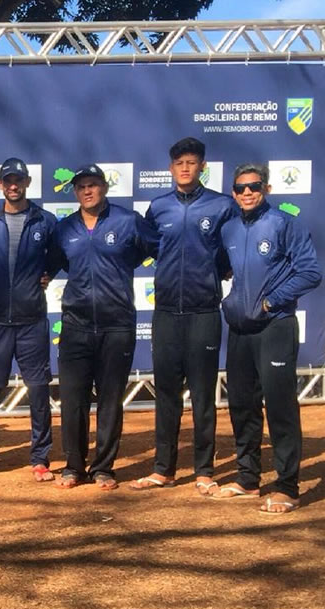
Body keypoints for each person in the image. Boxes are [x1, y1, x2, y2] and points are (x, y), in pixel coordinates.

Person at [210, 163, 321, 514]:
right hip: (241, 330)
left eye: (254, 186)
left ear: (266, 189)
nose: (247, 193)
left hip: (276, 325)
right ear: (233, 192)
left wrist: (272, 300)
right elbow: (221, 268)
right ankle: (247, 478)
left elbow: (311, 272)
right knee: (242, 404)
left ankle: (288, 486)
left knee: (280, 405)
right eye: (240, 188)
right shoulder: (227, 229)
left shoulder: (284, 224)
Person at [131, 138, 236, 495]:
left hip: (204, 311)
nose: (186, 168)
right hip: (165, 314)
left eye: (192, 162)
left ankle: (205, 470)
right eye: (179, 163)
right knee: (167, 395)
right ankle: (165, 469)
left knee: (204, 395)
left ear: (202, 166)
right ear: (171, 168)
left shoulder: (222, 206)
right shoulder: (158, 207)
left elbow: (228, 256)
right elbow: (144, 249)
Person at [52, 164, 154, 490]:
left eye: (93, 185)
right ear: (75, 191)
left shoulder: (128, 221)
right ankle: (73, 466)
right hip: (75, 325)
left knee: (110, 399)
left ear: (105, 187)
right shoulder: (64, 228)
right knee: (73, 400)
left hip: (117, 325)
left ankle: (104, 467)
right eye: (81, 186)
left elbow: (152, 251)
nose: (87, 191)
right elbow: (54, 263)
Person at [0, 158, 58, 482]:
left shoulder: (45, 220)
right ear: (0, 185)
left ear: (26, 183)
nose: (13, 185)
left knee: (38, 391)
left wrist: (48, 273)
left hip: (32, 320)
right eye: (8, 180)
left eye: (18, 180)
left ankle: (40, 457)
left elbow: (57, 256)